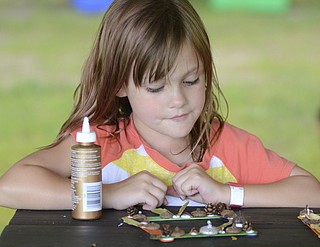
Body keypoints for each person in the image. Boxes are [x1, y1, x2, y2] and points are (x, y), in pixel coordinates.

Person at [0, 0, 319, 211]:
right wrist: (108, 195)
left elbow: (311, 192)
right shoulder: (103, 143)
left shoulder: (225, 145)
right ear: (121, 84)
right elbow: (10, 187)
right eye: (155, 87)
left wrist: (225, 193)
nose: (178, 100)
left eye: (191, 81)